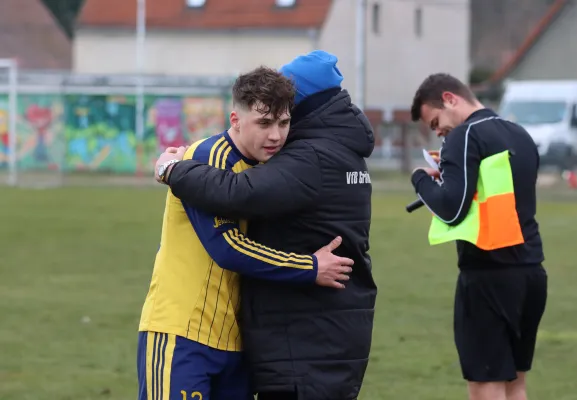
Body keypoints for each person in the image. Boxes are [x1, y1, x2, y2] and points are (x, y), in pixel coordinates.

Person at [155, 50, 376, 400]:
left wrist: (171, 169)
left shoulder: (311, 156)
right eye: (265, 121)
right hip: (322, 335)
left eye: (283, 120)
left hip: (305, 340)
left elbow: (239, 193)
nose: (275, 134)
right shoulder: (342, 147)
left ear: (298, 107)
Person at [409, 73, 548, 400]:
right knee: (516, 385)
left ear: (449, 99)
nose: (440, 132)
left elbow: (451, 209)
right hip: (531, 273)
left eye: (435, 122)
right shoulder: (520, 133)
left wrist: (420, 180)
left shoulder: (464, 135)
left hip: (489, 275)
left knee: (486, 387)